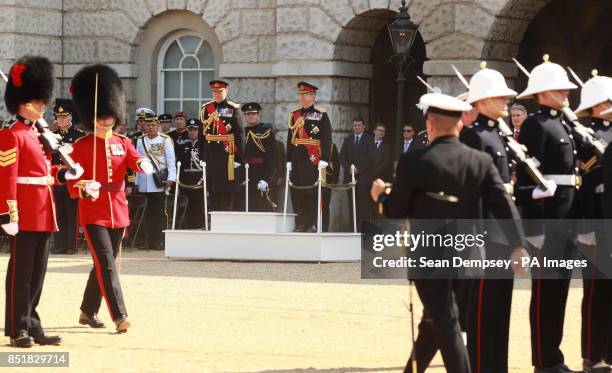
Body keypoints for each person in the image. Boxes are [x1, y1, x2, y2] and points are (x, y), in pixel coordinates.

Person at [371, 92, 528, 373]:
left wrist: (380, 197)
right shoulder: (480, 161)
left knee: (446, 321)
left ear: (430, 125)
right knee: (434, 320)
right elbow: (504, 206)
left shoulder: (415, 161)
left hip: (430, 257)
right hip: (469, 255)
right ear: (459, 125)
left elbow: (395, 210)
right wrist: (518, 245)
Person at [1, 56, 84, 347]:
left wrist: (68, 173)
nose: (43, 106)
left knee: (37, 274)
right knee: (21, 273)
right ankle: (17, 328)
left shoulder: (39, 135)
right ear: (24, 103)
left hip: (44, 210)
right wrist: (8, 215)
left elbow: (46, 173)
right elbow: (7, 177)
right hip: (24, 212)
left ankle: (33, 324)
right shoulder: (12, 135)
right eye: (38, 102)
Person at [67, 64, 153, 333]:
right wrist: (84, 186)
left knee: (103, 264)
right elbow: (70, 183)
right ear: (93, 116)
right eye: (102, 115)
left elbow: (133, 159)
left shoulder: (122, 142)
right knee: (107, 264)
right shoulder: (80, 147)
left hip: (118, 208)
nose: (107, 120)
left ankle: (87, 311)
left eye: (110, 115)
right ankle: (119, 315)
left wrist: (143, 166)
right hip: (93, 210)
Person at [459, 61, 530, 373]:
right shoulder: (473, 137)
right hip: (485, 235)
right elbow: (477, 196)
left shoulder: (496, 135)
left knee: (500, 311)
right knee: (483, 314)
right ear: (483, 101)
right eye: (500, 97)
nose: (506, 101)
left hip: (499, 234)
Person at [515, 54, 582, 373]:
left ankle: (554, 355)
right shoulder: (535, 125)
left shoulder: (564, 124)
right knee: (545, 293)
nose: (567, 93)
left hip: (567, 219)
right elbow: (530, 178)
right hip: (548, 221)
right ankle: (544, 359)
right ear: (543, 93)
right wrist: (534, 228)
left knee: (560, 290)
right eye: (560, 89)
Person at [573, 71, 612, 371]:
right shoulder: (585, 135)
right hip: (597, 221)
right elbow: (585, 181)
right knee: (596, 292)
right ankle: (592, 353)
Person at [286, 82, 332, 232]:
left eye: (305, 95)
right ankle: (301, 223)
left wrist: (325, 158)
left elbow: (327, 138)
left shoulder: (321, 114)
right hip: (297, 158)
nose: (302, 98)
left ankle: (313, 223)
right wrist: (288, 160)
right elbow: (290, 139)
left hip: (312, 159)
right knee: (297, 191)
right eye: (301, 95)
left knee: (311, 193)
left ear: (312, 96)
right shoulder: (294, 115)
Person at [198, 80, 244, 211]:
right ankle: (213, 220)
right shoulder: (206, 109)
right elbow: (202, 135)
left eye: (220, 91)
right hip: (210, 154)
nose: (217, 94)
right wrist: (202, 156)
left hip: (227, 154)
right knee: (212, 189)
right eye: (214, 91)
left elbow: (240, 133)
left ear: (226, 91)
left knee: (226, 190)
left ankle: (225, 220)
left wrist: (239, 157)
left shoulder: (232, 108)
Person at [135, 112, 176, 250]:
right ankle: (149, 242)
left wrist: (171, 178)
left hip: (159, 181)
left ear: (158, 125)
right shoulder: (140, 140)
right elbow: (136, 162)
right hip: (144, 181)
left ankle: (161, 242)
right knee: (146, 213)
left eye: (153, 125)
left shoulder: (165, 140)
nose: (151, 127)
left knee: (160, 213)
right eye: (148, 125)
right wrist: (135, 182)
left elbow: (171, 162)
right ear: (144, 126)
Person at [51, 99, 85, 255]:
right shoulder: (51, 136)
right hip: (56, 179)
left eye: (64, 117)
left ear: (70, 117)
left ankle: (71, 245)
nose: (61, 120)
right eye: (59, 117)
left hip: (72, 179)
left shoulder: (79, 136)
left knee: (71, 213)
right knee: (58, 213)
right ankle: (59, 245)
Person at [339, 117, 374, 230]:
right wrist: (349, 168)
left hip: (363, 179)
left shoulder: (369, 140)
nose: (357, 127)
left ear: (363, 126)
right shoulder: (348, 140)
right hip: (350, 178)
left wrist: (359, 169)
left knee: (362, 207)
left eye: (359, 125)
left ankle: (362, 230)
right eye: (355, 125)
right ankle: (352, 229)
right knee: (352, 205)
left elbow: (370, 157)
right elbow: (342, 156)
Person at [240, 102, 276, 212]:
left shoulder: (266, 131)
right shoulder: (242, 132)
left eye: (253, 114)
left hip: (260, 172)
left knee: (260, 204)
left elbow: (271, 158)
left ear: (258, 115)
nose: (250, 116)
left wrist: (266, 178)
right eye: (248, 114)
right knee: (244, 204)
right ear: (245, 116)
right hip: (244, 173)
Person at [175, 118, 205, 228]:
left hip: (199, 179)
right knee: (187, 206)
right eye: (190, 130)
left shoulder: (204, 144)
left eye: (195, 130)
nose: (192, 132)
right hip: (185, 180)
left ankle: (201, 226)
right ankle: (189, 227)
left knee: (200, 205)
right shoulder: (181, 144)